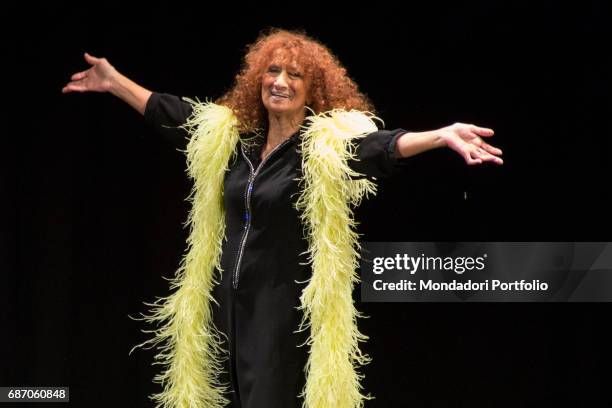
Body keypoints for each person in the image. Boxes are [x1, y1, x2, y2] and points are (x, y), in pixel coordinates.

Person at [63, 29, 502, 408]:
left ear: (313, 90)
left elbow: (379, 149)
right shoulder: (234, 142)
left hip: (279, 315)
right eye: (273, 71)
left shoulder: (320, 149)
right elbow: (175, 114)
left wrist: (440, 136)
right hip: (225, 309)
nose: (280, 81)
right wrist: (114, 81)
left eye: (295, 75)